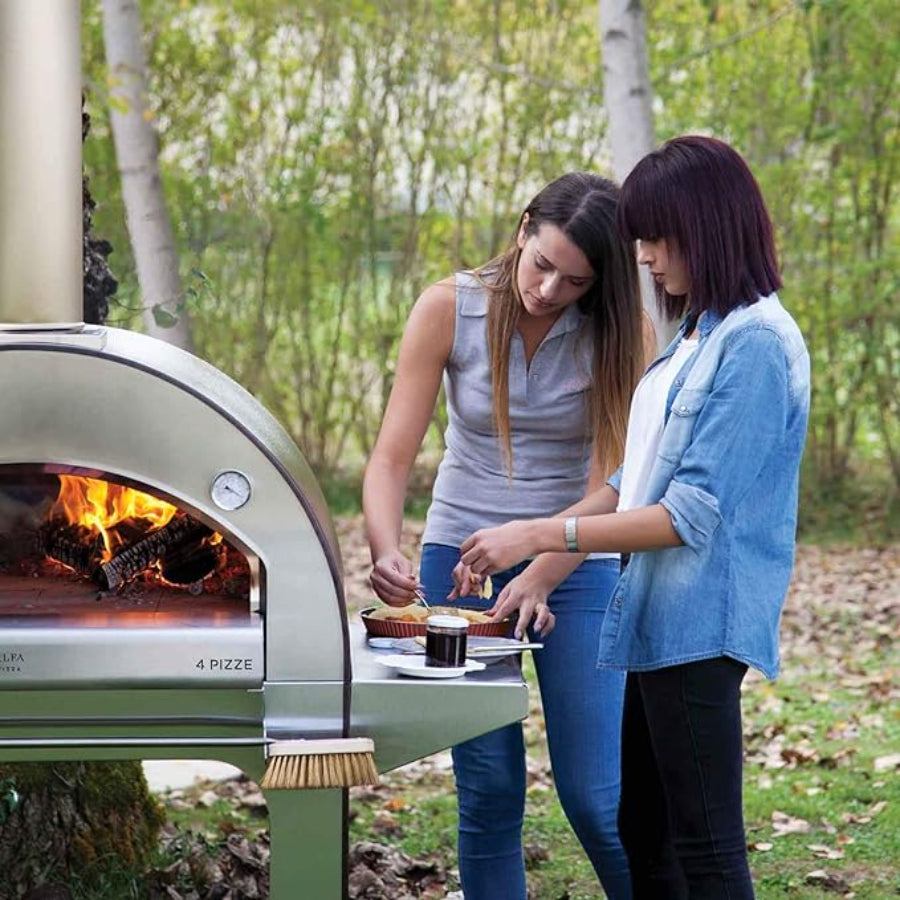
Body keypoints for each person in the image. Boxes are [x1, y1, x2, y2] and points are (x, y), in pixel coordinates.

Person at [456, 136, 811, 899]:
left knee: (707, 854)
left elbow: (686, 514)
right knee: (650, 846)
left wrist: (541, 534)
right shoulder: (697, 334)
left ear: (708, 227)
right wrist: (536, 549)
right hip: (652, 628)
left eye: (657, 237)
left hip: (699, 630)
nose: (644, 256)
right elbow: (631, 481)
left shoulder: (754, 345)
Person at [363, 172, 651, 900]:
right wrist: (385, 549)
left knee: (597, 798)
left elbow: (614, 483)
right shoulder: (447, 307)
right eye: (542, 264)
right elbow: (392, 457)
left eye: (575, 281)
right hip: (458, 567)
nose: (549, 289)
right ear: (523, 229)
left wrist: (542, 569)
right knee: (488, 789)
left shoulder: (624, 331)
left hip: (577, 566)